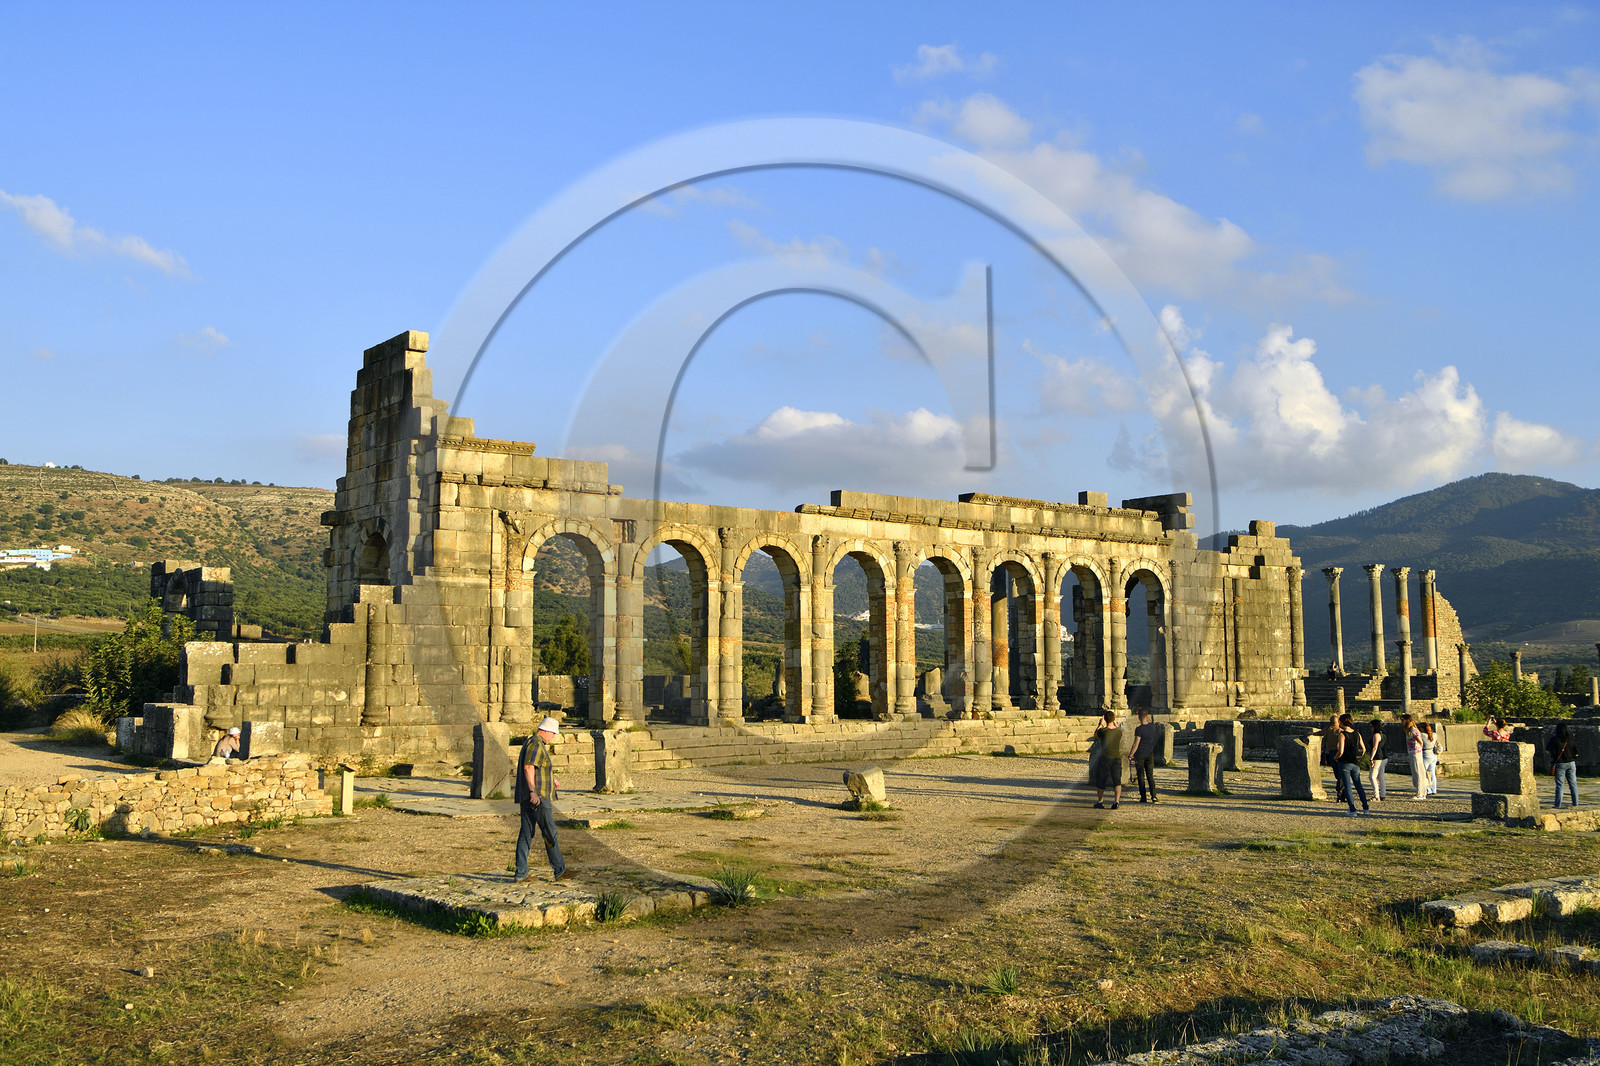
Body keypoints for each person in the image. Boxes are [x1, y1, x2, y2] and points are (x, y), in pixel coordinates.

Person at [513, 717, 572, 883]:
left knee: (526, 833)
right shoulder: (537, 744)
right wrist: (533, 792)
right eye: (553, 734)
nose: (553, 737)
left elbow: (538, 768)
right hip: (538, 796)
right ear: (546, 731)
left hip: (529, 795)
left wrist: (552, 779)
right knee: (549, 831)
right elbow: (528, 767)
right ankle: (559, 870)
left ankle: (521, 873)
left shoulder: (531, 742)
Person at [1333, 713, 1371, 816]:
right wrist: (1358, 757)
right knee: (1358, 785)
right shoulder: (1357, 734)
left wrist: (1335, 758)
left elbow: (1340, 751)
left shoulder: (1342, 734)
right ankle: (1366, 808)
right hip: (1355, 763)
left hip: (1344, 762)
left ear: (1341, 722)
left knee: (1348, 786)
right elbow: (1364, 749)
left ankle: (1353, 810)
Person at [1091, 710, 1125, 810]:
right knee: (1117, 781)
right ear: (1114, 719)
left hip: (1104, 758)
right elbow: (1121, 734)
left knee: (1101, 780)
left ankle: (1100, 801)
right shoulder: (1118, 731)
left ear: (1105, 719)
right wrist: (1116, 725)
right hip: (1116, 758)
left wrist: (1100, 724)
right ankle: (1116, 801)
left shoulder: (1103, 731)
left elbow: (1095, 735)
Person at [1129, 709, 1162, 804]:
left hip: (1140, 754)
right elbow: (1150, 722)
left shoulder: (1139, 729)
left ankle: (1143, 797)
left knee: (1141, 776)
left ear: (1138, 718)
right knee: (1150, 775)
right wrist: (1147, 719)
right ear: (1147, 717)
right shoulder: (1152, 726)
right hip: (1149, 754)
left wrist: (1131, 755)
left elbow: (1136, 743)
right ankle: (1154, 796)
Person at [1549, 722, 1580, 809]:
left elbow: (1548, 751)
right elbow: (1577, 753)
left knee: (1560, 785)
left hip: (1560, 764)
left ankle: (1557, 804)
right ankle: (1575, 803)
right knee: (1573, 784)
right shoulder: (1570, 740)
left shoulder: (1554, 740)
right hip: (1571, 763)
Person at [1318, 714, 1346, 803]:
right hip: (1339, 753)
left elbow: (1318, 733)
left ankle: (1340, 793)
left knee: (1338, 775)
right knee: (1342, 775)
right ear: (1338, 722)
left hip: (1330, 753)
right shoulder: (1340, 731)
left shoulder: (1327, 730)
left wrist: (1311, 733)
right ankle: (1341, 793)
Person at [1404, 714, 1428, 800]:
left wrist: (1419, 746)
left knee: (1418, 772)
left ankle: (1420, 793)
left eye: (1403, 720)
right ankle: (1421, 792)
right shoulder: (1409, 730)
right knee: (1416, 772)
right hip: (1412, 752)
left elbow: (1420, 739)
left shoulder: (1413, 729)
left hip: (1415, 752)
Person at [1367, 718, 1388, 802]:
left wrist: (1371, 758)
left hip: (1377, 757)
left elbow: (1375, 747)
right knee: (1381, 777)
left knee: (1372, 777)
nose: (1371, 728)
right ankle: (1383, 794)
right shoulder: (1383, 734)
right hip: (1384, 757)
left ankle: (1376, 795)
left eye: (1371, 726)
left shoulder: (1376, 735)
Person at [1422, 722, 1441, 796]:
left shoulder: (1422, 735)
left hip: (1426, 754)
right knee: (1432, 773)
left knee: (1424, 773)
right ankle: (1434, 789)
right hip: (1434, 755)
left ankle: (1428, 789)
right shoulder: (1435, 735)